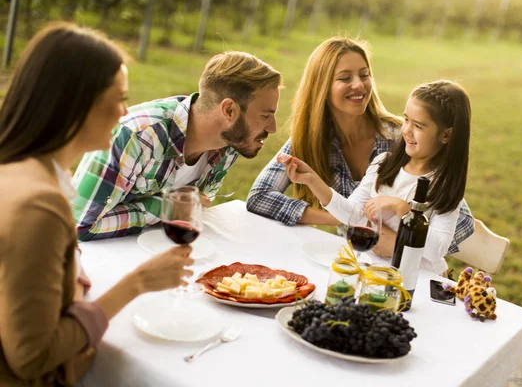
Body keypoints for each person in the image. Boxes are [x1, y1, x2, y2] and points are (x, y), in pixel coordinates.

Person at [0, 23, 194, 386]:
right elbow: (30, 357)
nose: (125, 112)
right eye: (119, 97)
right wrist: (136, 284)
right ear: (75, 103)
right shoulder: (39, 205)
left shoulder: (20, 169)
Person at [246, 36, 473, 257]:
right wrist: (341, 217)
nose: (359, 84)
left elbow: (461, 221)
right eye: (345, 78)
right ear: (322, 87)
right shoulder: (308, 140)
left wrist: (400, 240)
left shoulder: (401, 138)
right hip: (359, 256)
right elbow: (259, 197)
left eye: (364, 75)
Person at [72, 50, 282, 241]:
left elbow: (194, 213)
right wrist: (166, 208)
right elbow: (80, 224)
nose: (272, 128)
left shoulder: (229, 144)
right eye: (265, 116)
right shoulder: (136, 136)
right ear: (229, 111)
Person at [282, 80, 471, 274]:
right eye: (406, 120)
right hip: (374, 270)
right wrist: (312, 181)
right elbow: (353, 214)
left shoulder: (444, 186)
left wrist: (402, 209)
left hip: (417, 279)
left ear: (446, 136)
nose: (406, 130)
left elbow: (436, 249)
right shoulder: (384, 163)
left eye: (418, 126)